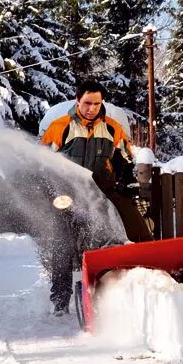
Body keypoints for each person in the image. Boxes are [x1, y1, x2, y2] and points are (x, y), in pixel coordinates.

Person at [39, 79, 153, 315]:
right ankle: (61, 301)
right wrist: (54, 193)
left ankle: (109, 289)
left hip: (99, 195)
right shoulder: (60, 127)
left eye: (97, 103)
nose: (92, 108)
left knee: (109, 237)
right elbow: (44, 166)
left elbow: (123, 161)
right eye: (87, 103)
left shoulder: (111, 128)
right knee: (62, 244)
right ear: (77, 101)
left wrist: (123, 184)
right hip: (67, 195)